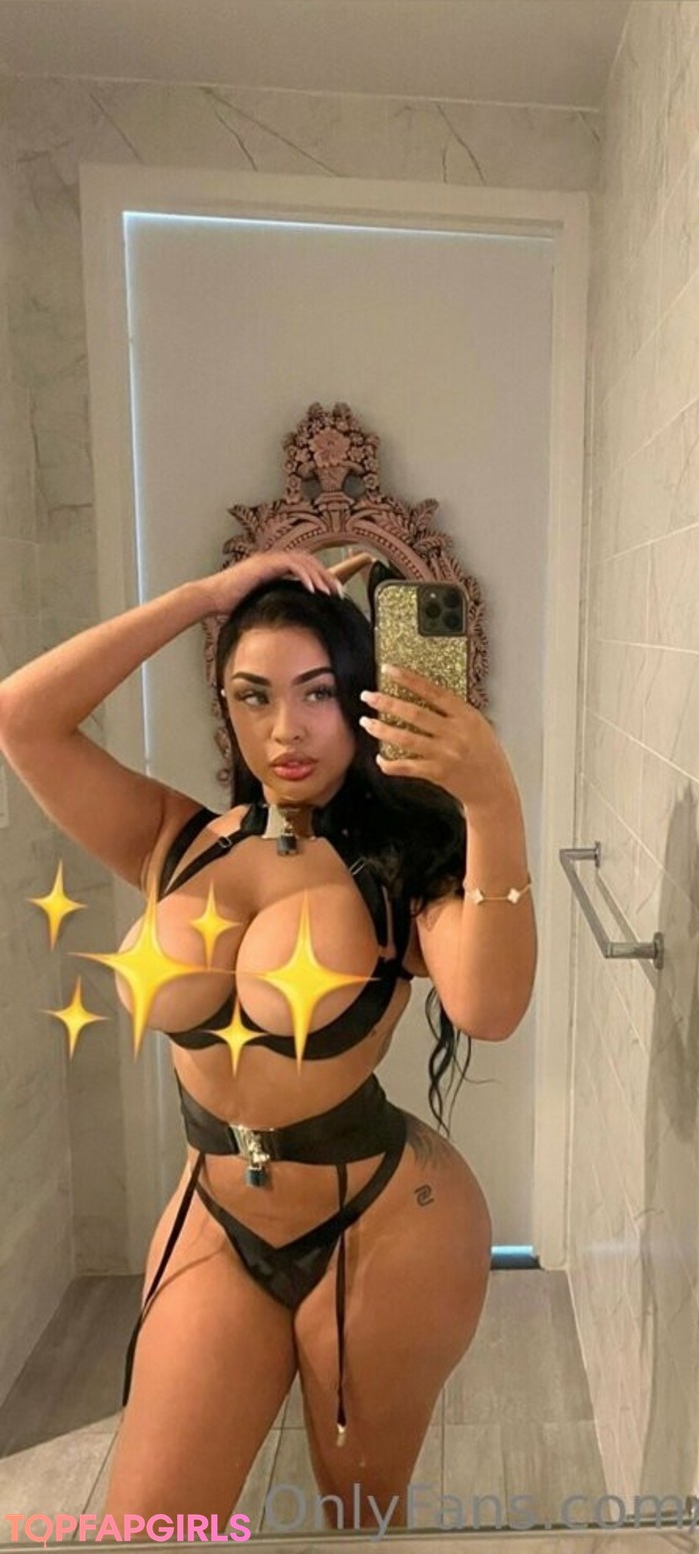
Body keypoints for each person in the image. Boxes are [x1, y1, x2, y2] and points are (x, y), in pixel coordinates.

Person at [0, 548, 536, 1528]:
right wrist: (203, 597)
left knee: (360, 1519)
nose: (285, 728)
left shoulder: (402, 865)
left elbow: (489, 1008)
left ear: (358, 698)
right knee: (146, 1528)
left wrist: (490, 799)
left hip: (386, 1221)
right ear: (226, 705)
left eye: (317, 693)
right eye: (254, 695)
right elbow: (21, 715)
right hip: (216, 1214)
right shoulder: (174, 839)